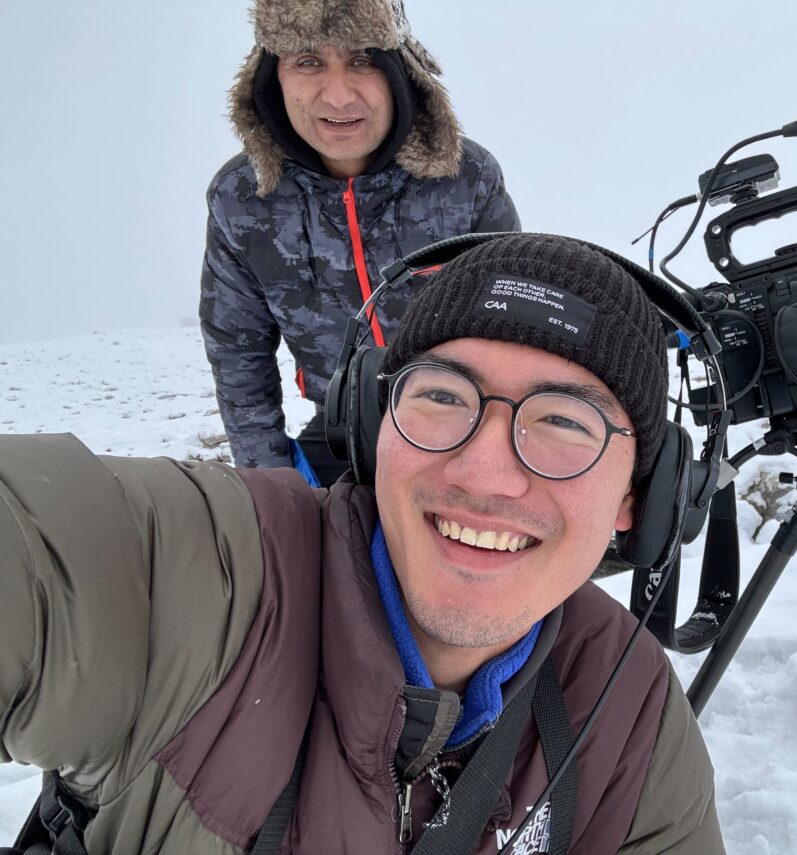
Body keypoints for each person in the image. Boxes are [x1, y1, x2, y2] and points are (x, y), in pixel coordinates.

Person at [0, 234, 724, 854]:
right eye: (442, 397)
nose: (485, 472)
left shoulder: (631, 711)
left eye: (566, 421)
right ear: (375, 429)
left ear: (642, 496)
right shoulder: (200, 576)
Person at [200, 0, 521, 486]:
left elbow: (513, 323)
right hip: (342, 425)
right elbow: (238, 355)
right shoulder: (241, 198)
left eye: (363, 60)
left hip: (464, 423)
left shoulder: (466, 177)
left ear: (399, 70)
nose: (339, 96)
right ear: (273, 77)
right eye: (307, 62)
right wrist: (271, 482)